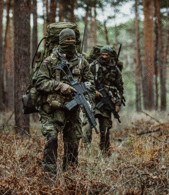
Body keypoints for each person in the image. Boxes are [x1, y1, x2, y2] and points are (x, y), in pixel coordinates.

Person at [34, 28, 95, 180]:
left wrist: (86, 92)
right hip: (51, 109)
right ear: (60, 41)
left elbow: (91, 83)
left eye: (72, 39)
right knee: (52, 140)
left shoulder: (82, 61)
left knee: (73, 144)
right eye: (66, 40)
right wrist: (60, 86)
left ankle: (70, 178)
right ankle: (49, 178)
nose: (70, 42)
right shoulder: (50, 60)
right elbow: (39, 82)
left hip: (73, 110)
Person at [82, 46, 124, 153]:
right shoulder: (92, 66)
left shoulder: (115, 70)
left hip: (106, 103)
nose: (104, 57)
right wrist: (93, 91)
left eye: (107, 55)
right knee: (87, 127)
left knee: (105, 129)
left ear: (110, 56)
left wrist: (118, 104)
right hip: (91, 101)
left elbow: (120, 88)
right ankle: (85, 152)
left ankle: (104, 153)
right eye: (103, 55)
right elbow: (84, 81)